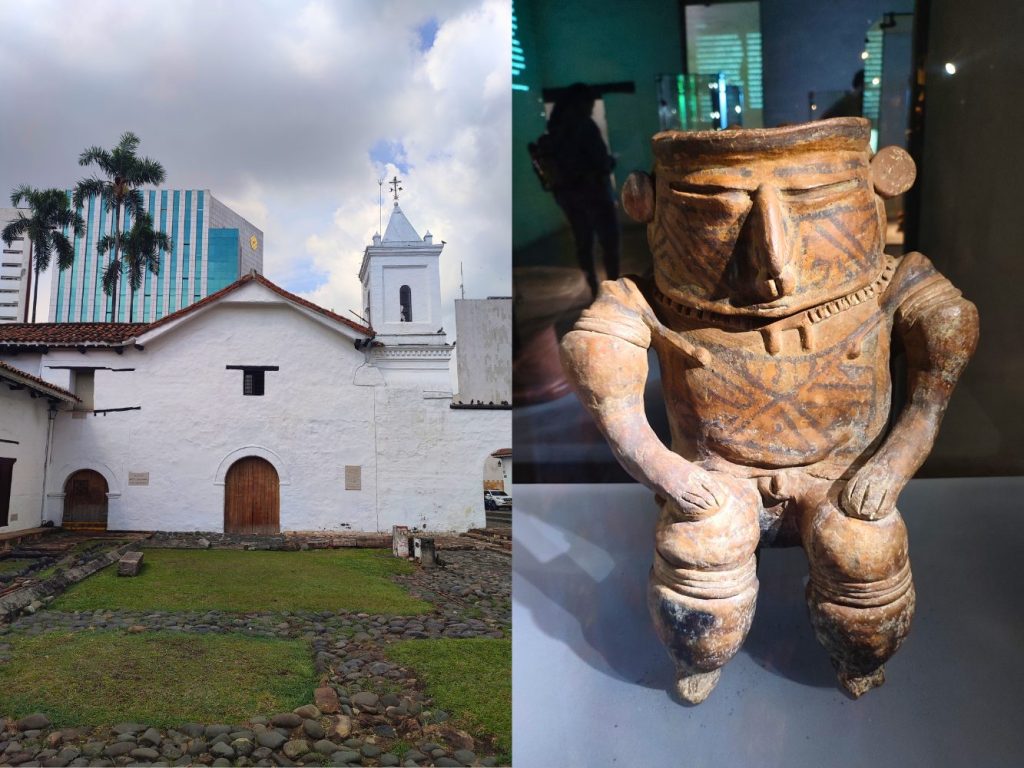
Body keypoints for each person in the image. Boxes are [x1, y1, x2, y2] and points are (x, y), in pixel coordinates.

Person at [546, 83, 620, 297]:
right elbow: (601, 162)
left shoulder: (556, 127)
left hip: (568, 197)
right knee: (610, 243)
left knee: (583, 243)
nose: (591, 107)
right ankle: (613, 291)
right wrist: (611, 162)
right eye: (590, 103)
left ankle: (592, 288)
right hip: (595, 193)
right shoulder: (585, 126)